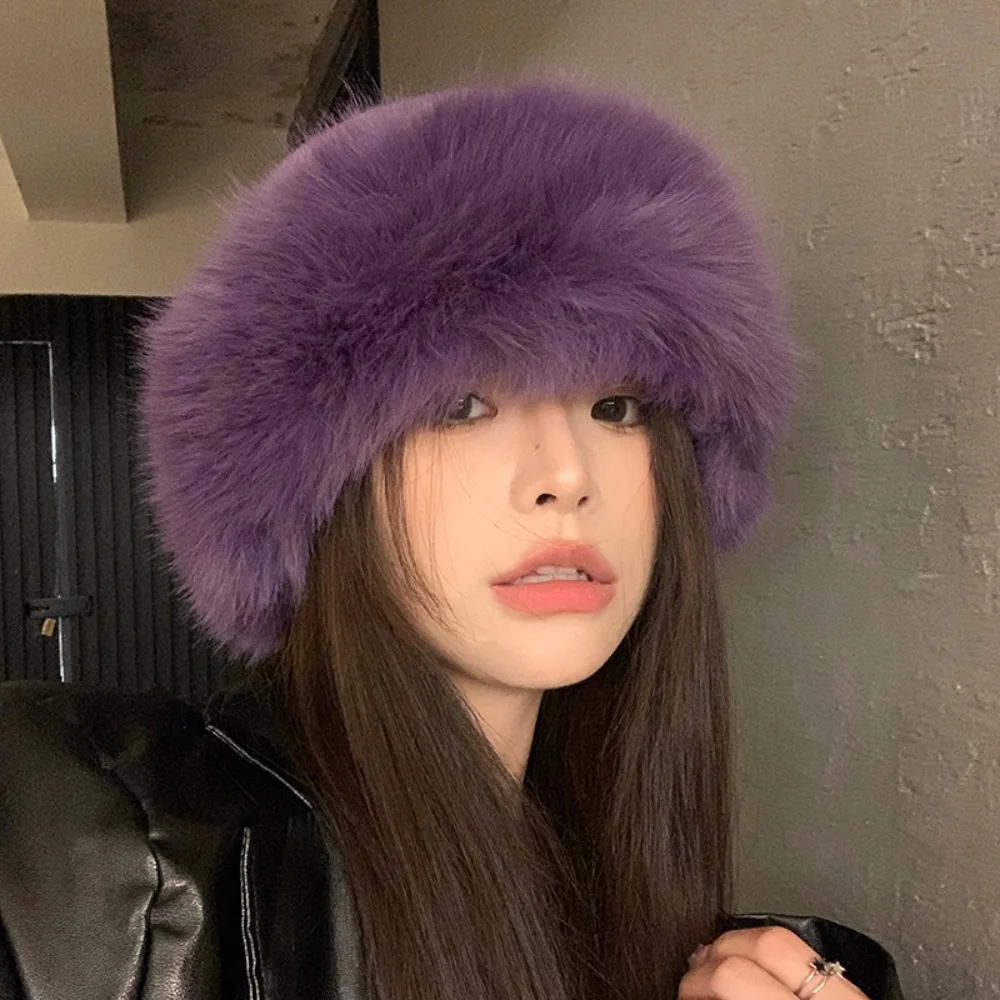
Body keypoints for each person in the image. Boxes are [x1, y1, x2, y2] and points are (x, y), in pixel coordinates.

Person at [0, 79, 904, 1000]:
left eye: (616, 406)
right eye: (462, 405)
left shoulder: (666, 933)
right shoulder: (92, 849)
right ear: (320, 491)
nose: (566, 475)